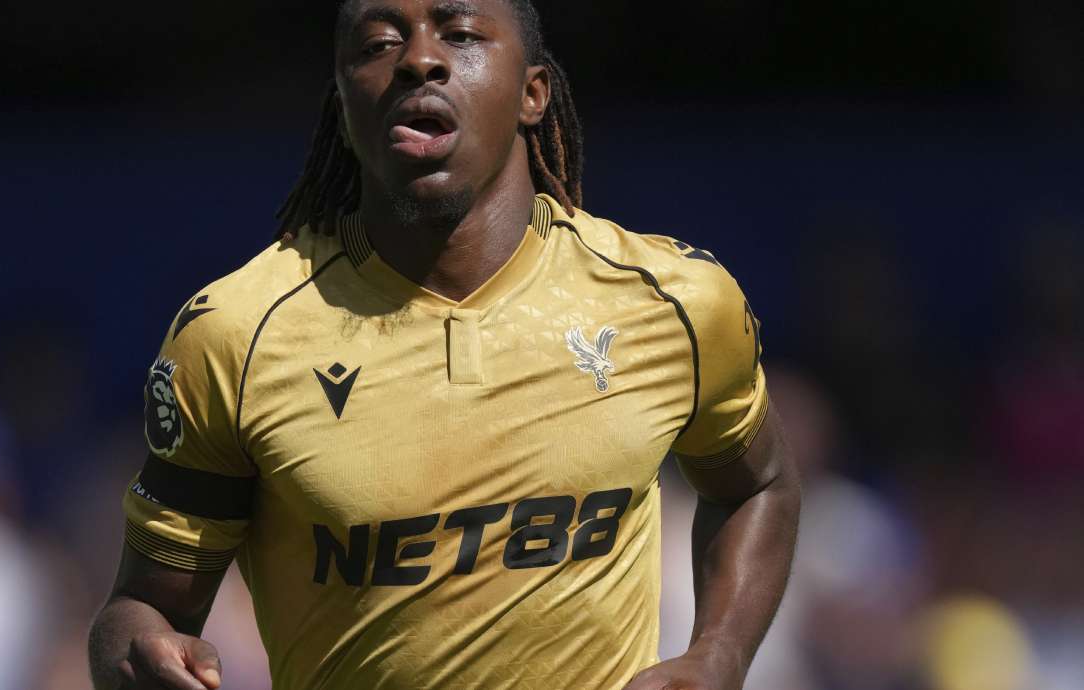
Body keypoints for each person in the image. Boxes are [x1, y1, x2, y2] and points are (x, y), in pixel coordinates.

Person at [88, 1, 801, 688]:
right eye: (376, 45)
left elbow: (758, 485)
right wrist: (136, 656)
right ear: (343, 111)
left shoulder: (674, 302)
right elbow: (142, 607)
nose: (418, 60)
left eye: (459, 34)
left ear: (533, 94)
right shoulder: (235, 335)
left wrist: (720, 654)